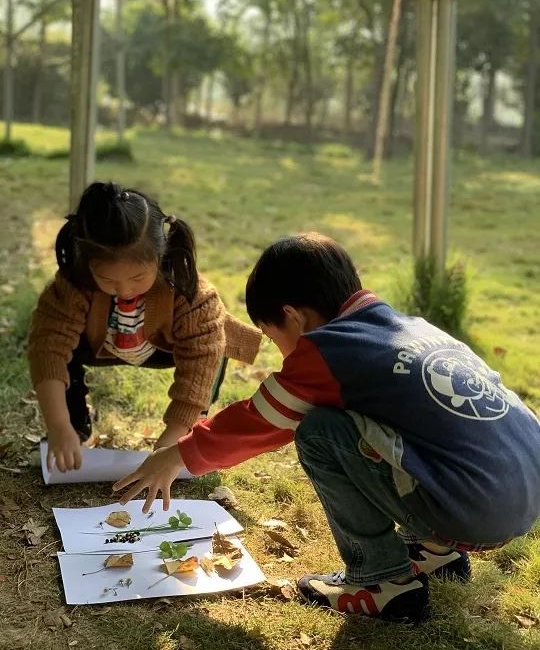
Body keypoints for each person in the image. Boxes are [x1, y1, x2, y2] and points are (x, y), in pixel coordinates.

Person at [113, 233, 540, 623]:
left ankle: (380, 581)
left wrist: (176, 456)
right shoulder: (412, 329)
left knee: (322, 431)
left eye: (271, 336)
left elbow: (259, 421)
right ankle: (436, 554)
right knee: (395, 429)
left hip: (474, 512)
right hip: (524, 494)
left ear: (293, 317)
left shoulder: (328, 349)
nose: (280, 352)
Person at [28, 181, 261, 474]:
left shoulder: (190, 292)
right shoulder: (72, 286)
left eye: (138, 277)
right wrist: (59, 425)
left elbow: (200, 362)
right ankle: (75, 425)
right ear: (87, 265)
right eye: (109, 280)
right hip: (96, 345)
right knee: (61, 351)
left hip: (165, 347)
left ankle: (191, 432)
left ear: (159, 258)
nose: (124, 289)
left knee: (215, 348)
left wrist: (171, 442)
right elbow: (48, 350)